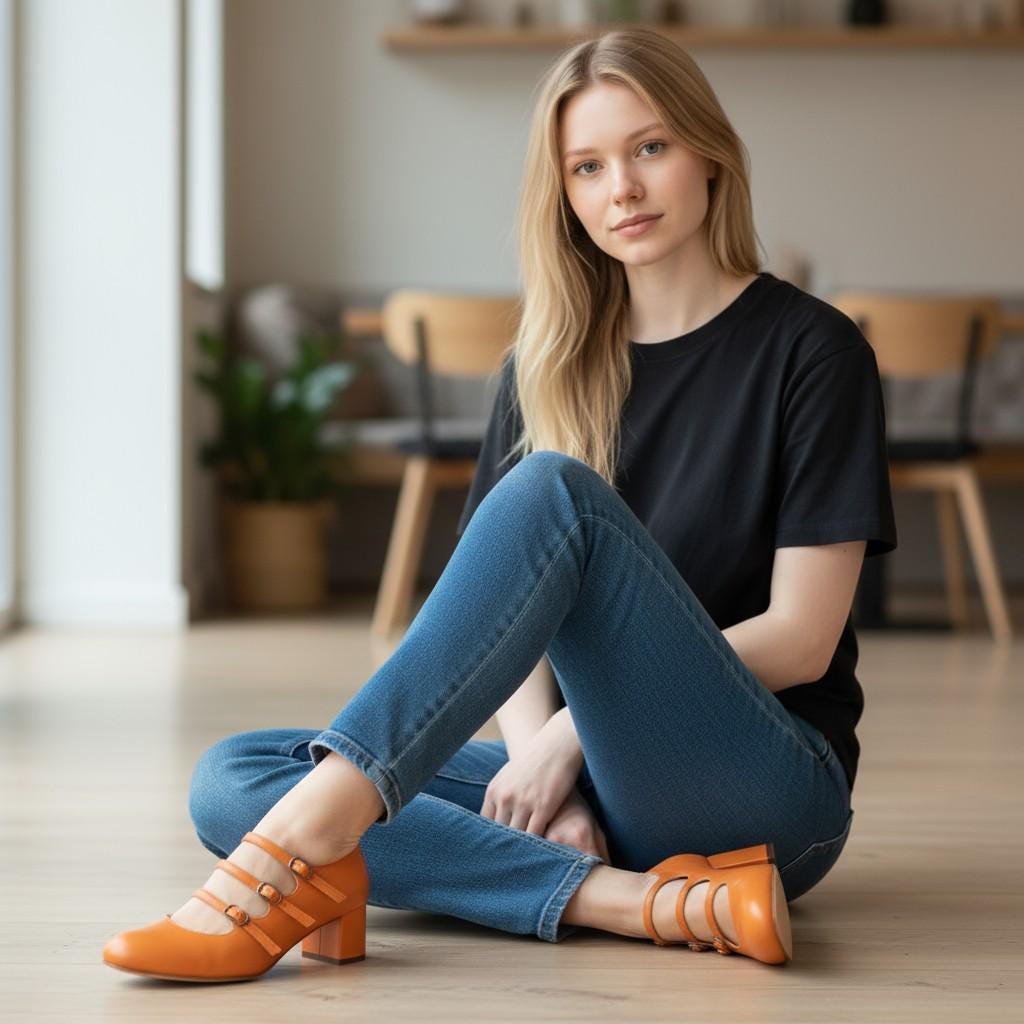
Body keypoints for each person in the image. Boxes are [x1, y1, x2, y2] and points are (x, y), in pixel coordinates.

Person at [103, 27, 896, 982]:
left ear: (709, 152)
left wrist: (565, 740)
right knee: (237, 779)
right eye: (588, 167)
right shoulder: (546, 365)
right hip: (601, 781)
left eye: (650, 148)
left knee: (553, 492)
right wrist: (540, 771)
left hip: (761, 791)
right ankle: (642, 901)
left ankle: (299, 855)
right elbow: (505, 633)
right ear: (562, 195)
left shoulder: (814, 351)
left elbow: (804, 637)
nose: (623, 191)